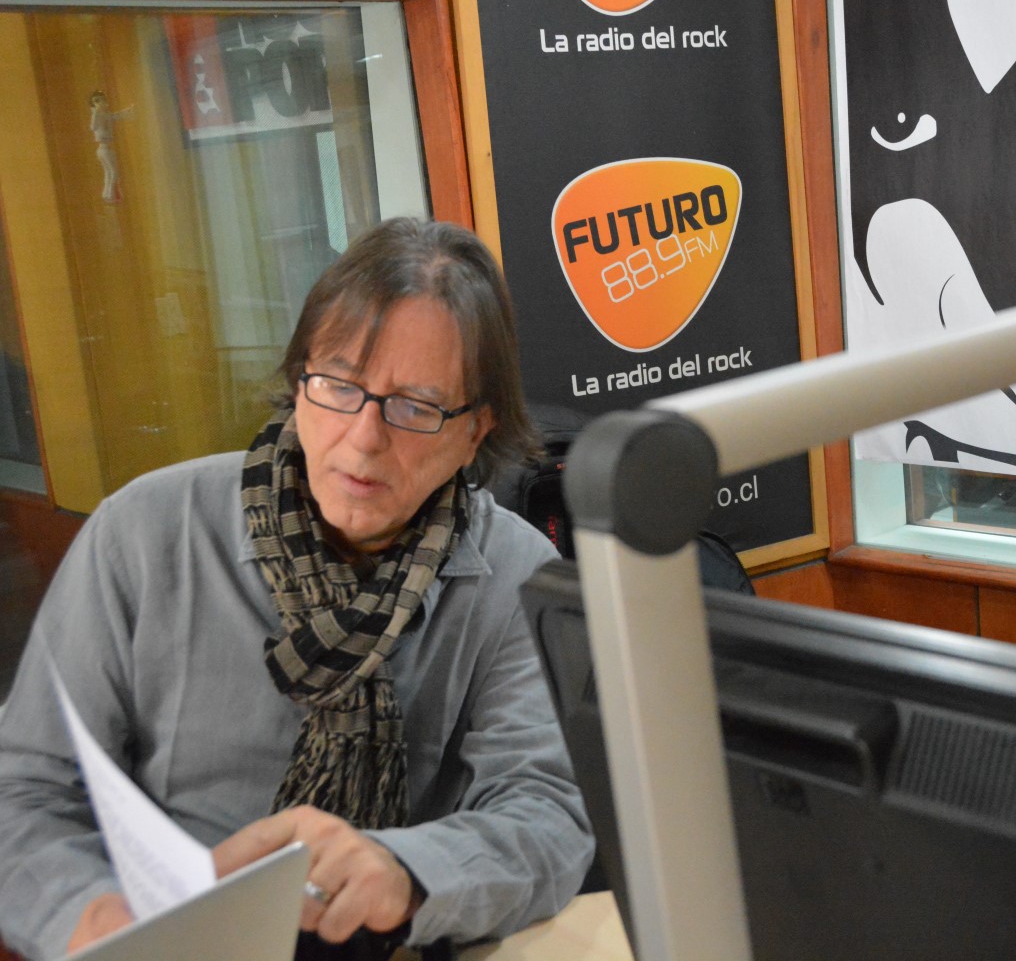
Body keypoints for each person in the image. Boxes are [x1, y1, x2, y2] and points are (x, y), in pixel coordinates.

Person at [0, 219, 594, 959]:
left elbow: (547, 814)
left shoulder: (515, 572)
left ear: (475, 431)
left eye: (416, 407)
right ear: (298, 382)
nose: (365, 438)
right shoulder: (144, 535)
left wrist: (407, 872)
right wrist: (95, 920)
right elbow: (22, 791)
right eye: (339, 385)